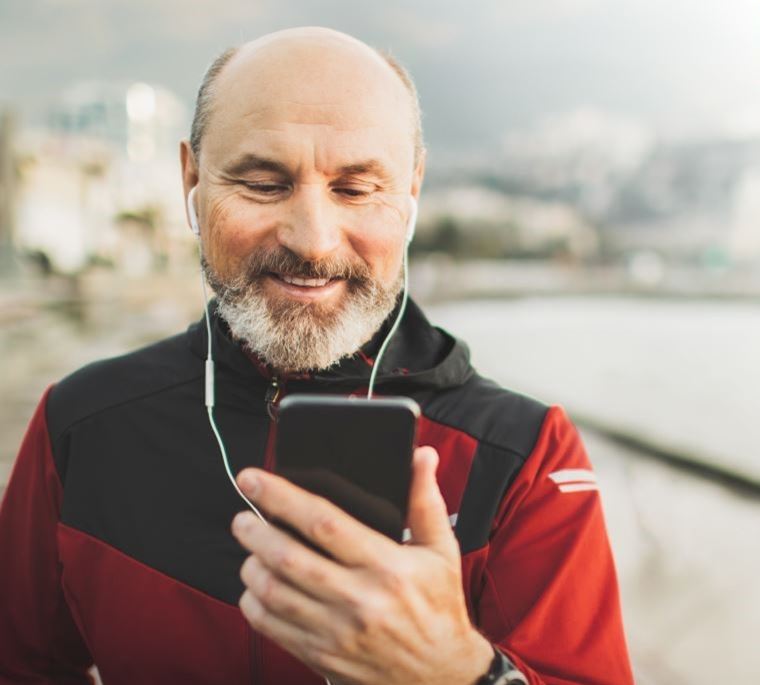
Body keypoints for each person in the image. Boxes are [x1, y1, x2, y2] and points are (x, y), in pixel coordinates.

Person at [0, 27, 634, 685]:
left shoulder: (524, 457)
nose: (312, 240)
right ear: (192, 178)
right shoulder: (79, 425)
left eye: (356, 189)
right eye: (262, 183)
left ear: (411, 190)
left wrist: (463, 671)